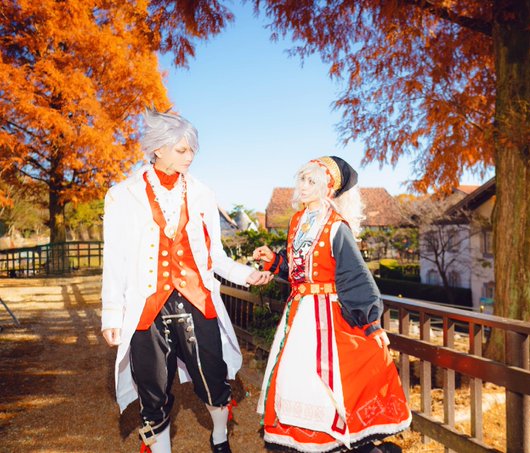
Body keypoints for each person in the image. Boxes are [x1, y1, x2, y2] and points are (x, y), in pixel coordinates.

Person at [100, 108, 273, 453]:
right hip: (146, 307)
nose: (189, 156)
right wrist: (112, 314)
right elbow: (115, 257)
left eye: (192, 149)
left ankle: (220, 436)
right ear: (157, 148)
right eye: (181, 150)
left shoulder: (202, 193)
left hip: (197, 301)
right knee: (152, 388)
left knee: (213, 380)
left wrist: (246, 275)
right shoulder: (122, 195)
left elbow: (215, 256)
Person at [253, 156, 411, 452]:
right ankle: (306, 440)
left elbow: (354, 275)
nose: (303, 186)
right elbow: (298, 271)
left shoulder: (337, 227)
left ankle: (336, 441)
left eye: (312, 181)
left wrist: (370, 322)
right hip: (297, 315)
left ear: (329, 188)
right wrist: (274, 261)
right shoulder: (297, 221)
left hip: (325, 316)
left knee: (326, 381)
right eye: (302, 179)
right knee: (296, 378)